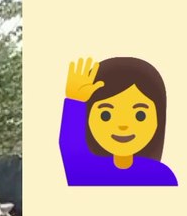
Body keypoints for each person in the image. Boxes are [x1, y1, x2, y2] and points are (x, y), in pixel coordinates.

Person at [60, 56, 177, 186]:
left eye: (140, 115)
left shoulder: (160, 176)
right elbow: (70, 144)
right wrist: (75, 102)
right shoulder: (85, 168)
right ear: (87, 118)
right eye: (105, 115)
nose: (123, 126)